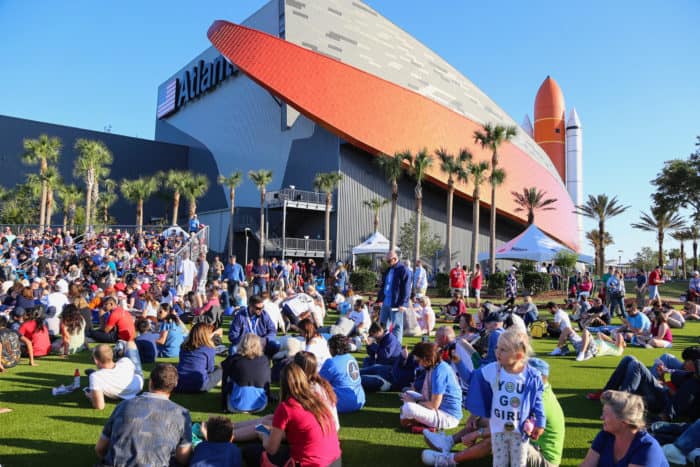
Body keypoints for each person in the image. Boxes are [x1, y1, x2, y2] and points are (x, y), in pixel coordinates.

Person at [422, 357, 564, 467]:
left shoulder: (539, 400)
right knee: (485, 421)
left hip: (544, 460)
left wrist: (477, 434)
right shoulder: (537, 390)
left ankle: (449, 460)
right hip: (532, 445)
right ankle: (448, 442)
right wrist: (476, 416)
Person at [466, 328, 545, 466]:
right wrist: (458, 362)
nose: (497, 352)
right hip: (498, 430)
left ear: (519, 355)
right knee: (499, 463)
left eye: (503, 350)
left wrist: (541, 423)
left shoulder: (531, 376)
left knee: (518, 463)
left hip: (519, 431)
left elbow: (538, 402)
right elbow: (472, 378)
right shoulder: (493, 369)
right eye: (497, 348)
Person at [95, 363, 193, 466]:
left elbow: (100, 448)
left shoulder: (124, 405)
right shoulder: (182, 414)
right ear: (174, 385)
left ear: (150, 382)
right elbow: (183, 458)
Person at [257, 361, 342, 467]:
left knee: (253, 452)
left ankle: (234, 433)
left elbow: (271, 449)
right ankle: (233, 429)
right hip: (335, 461)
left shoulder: (286, 407)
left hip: (311, 463)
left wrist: (262, 432)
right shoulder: (317, 398)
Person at [586, 346, 700, 422]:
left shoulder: (695, 381)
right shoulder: (688, 373)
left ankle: (621, 405)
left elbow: (680, 400)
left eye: (687, 361)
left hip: (664, 401)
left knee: (637, 366)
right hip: (662, 392)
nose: (684, 363)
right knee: (629, 358)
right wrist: (661, 377)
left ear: (695, 362)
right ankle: (606, 392)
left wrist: (665, 386)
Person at [580, 390, 668, 467]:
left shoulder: (647, 448)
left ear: (624, 421)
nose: (601, 417)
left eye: (605, 414)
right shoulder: (605, 435)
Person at [399, 342, 463, 431]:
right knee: (408, 393)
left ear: (427, 359)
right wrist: (414, 400)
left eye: (420, 360)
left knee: (408, 408)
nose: (420, 364)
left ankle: (416, 421)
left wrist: (415, 402)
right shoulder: (435, 366)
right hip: (438, 410)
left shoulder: (439, 371)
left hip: (448, 416)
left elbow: (434, 405)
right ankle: (416, 420)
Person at [221, 333, 270, 413]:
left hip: (236, 406)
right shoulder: (265, 360)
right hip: (260, 406)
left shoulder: (233, 359)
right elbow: (267, 383)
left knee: (230, 378)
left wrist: (223, 405)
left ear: (242, 343)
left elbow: (224, 381)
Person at [86, 344, 144, 410]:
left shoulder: (95, 377)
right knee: (131, 345)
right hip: (138, 386)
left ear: (96, 361)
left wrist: (90, 396)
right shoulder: (125, 361)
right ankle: (127, 342)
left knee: (130, 346)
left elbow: (100, 406)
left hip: (130, 388)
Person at [320, 335, 365, 413]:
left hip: (343, 403)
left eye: (330, 347)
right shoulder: (351, 357)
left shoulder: (331, 362)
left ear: (335, 349)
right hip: (359, 399)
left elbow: (318, 381)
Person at [176, 323, 223, 393]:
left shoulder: (183, 347)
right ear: (206, 335)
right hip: (200, 386)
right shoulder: (209, 349)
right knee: (223, 368)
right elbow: (210, 369)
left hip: (180, 384)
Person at [377, 249, 411, 343]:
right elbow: (384, 285)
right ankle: (383, 345)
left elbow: (407, 288)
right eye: (386, 261)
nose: (387, 263)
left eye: (389, 261)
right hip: (386, 302)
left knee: (396, 326)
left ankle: (396, 347)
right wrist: (380, 299)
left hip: (396, 303)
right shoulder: (389, 270)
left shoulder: (403, 270)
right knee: (382, 325)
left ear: (395, 259)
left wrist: (404, 303)